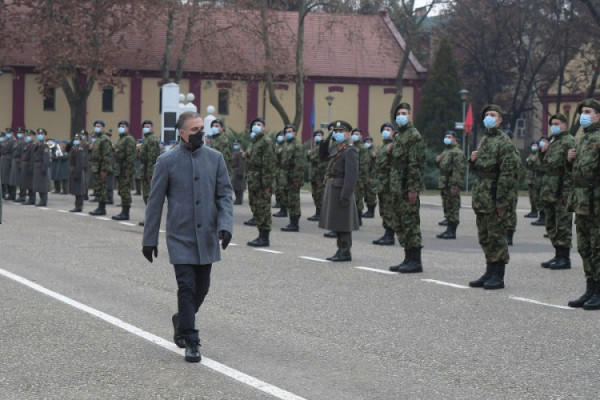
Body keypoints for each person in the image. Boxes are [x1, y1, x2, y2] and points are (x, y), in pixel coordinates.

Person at [142, 111, 233, 362]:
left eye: (201, 128)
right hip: (180, 236)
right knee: (187, 286)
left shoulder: (215, 158)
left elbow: (224, 195)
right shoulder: (166, 161)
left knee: (202, 288)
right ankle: (191, 339)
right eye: (194, 130)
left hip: (207, 237)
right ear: (181, 132)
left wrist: (226, 225)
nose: (200, 133)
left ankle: (181, 320)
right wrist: (149, 239)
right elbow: (155, 203)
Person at [468, 104, 519, 290]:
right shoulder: (485, 140)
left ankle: (498, 275)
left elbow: (508, 173)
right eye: (487, 114)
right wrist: (472, 161)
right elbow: (481, 168)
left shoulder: (503, 142)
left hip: (495, 194)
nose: (489, 117)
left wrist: (502, 201)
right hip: (482, 195)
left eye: (493, 114)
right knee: (485, 236)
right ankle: (489, 271)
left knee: (497, 236)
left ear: (500, 120)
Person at [567, 99, 600, 310]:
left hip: (596, 202)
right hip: (581, 201)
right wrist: (568, 161)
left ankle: (598, 291)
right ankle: (590, 288)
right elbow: (576, 174)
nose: (583, 115)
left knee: (598, 248)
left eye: (588, 111)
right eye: (582, 112)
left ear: (598, 116)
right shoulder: (579, 140)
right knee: (585, 247)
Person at [388, 103, 426, 273]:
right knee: (400, 223)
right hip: (396, 187)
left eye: (404, 113)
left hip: (406, 187)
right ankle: (407, 258)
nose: (401, 116)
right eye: (398, 114)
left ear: (410, 116)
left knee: (410, 223)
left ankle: (416, 261)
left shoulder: (413, 136)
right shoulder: (398, 136)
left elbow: (415, 164)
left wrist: (413, 188)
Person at [318, 120, 359, 261]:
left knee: (344, 222)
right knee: (337, 221)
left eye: (341, 132)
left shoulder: (350, 150)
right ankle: (340, 249)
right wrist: (328, 138)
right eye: (336, 131)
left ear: (348, 134)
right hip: (332, 187)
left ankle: (345, 251)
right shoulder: (335, 148)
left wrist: (346, 195)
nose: (338, 134)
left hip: (341, 189)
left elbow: (351, 175)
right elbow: (322, 156)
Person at [539, 113, 575, 270]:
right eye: (552, 123)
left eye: (557, 123)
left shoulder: (569, 142)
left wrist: (567, 193)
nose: (554, 126)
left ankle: (564, 258)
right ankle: (557, 254)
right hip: (549, 190)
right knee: (551, 224)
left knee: (562, 225)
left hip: (561, 191)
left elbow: (571, 169)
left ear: (565, 125)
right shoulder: (553, 142)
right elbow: (546, 166)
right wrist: (543, 152)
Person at [246, 117, 275, 247]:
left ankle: (264, 237)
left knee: (263, 209)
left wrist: (267, 185)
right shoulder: (253, 142)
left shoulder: (266, 142)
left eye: (259, 124)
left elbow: (268, 164)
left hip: (262, 182)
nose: (256, 126)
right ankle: (260, 233)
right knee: (255, 207)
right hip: (253, 180)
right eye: (254, 124)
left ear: (264, 127)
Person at [435, 130, 466, 239]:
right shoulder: (446, 151)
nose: (447, 138)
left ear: (454, 139)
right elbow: (444, 168)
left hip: (451, 184)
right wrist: (438, 162)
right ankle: (448, 230)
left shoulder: (456, 152)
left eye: (449, 136)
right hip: (445, 184)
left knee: (453, 207)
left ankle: (452, 231)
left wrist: (455, 186)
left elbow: (458, 170)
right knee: (447, 207)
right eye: (446, 136)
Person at [372, 123, 396, 246]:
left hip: (388, 183)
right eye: (384, 130)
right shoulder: (382, 146)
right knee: (383, 209)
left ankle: (390, 235)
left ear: (393, 132)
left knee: (389, 209)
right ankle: (386, 233)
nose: (386, 131)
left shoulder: (394, 145)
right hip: (381, 183)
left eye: (388, 129)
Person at [278, 124, 305, 232]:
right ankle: (291, 221)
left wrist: (296, 180)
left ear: (295, 133)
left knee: (294, 201)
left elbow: (299, 164)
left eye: (290, 131)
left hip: (293, 178)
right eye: (286, 132)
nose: (288, 133)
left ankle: (294, 223)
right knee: (288, 200)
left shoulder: (297, 145)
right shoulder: (284, 145)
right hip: (285, 178)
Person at [112, 120, 136, 221]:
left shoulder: (129, 139)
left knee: (125, 191)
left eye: (123, 126)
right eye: (120, 126)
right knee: (122, 190)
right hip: (119, 168)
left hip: (125, 168)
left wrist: (128, 170)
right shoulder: (121, 139)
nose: (121, 128)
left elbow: (130, 156)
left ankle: (126, 213)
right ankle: (123, 211)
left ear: (127, 128)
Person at [88, 121, 113, 215]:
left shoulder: (104, 139)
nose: (96, 128)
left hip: (101, 167)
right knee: (98, 188)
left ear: (103, 127)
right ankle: (99, 206)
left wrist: (104, 169)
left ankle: (102, 208)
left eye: (99, 126)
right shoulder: (98, 139)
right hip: (96, 166)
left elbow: (107, 155)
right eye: (95, 126)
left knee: (102, 188)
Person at [139, 120, 160, 226]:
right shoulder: (146, 139)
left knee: (149, 197)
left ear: (152, 128)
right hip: (145, 170)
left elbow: (153, 159)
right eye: (144, 126)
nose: (146, 128)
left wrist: (151, 175)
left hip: (149, 172)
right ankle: (149, 218)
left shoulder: (151, 140)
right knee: (146, 196)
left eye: (148, 126)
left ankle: (151, 219)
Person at [307, 129, 327, 221]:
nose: (318, 136)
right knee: (315, 195)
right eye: (316, 135)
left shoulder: (323, 147)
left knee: (320, 195)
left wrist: (311, 156)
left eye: (320, 135)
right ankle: (317, 212)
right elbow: (310, 160)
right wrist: (308, 155)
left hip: (320, 175)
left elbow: (319, 160)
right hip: (313, 175)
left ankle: (321, 214)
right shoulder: (314, 147)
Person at [32, 129, 51, 206]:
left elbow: (46, 159)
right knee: (39, 185)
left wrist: (44, 168)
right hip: (37, 167)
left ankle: (43, 201)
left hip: (42, 167)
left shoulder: (45, 146)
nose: (40, 135)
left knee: (43, 185)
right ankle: (41, 200)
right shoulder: (38, 145)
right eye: (39, 133)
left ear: (45, 135)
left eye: (41, 133)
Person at [69, 134, 86, 212]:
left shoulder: (79, 150)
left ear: (81, 141)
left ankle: (79, 206)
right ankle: (77, 205)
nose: (75, 140)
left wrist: (77, 173)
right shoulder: (74, 149)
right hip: (74, 171)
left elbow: (80, 163)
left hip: (78, 171)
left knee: (79, 190)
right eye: (75, 139)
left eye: (77, 139)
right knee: (76, 190)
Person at [524, 141, 540, 218]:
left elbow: (535, 165)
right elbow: (527, 165)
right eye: (532, 145)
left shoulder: (538, 154)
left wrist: (529, 161)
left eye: (535, 145)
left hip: (535, 178)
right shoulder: (531, 154)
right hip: (530, 178)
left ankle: (536, 211)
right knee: (531, 196)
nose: (533, 146)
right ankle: (533, 211)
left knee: (535, 196)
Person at [362, 136, 377, 218]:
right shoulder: (366, 151)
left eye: (369, 141)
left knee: (371, 195)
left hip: (371, 176)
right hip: (365, 176)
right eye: (366, 141)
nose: (367, 143)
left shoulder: (373, 151)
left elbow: (374, 166)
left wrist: (372, 177)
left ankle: (371, 212)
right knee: (367, 195)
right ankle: (368, 211)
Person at [20, 130, 36, 205]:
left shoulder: (33, 146)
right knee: (26, 183)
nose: (28, 137)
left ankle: (32, 199)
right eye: (27, 135)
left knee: (30, 183)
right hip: (25, 165)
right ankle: (30, 198)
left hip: (29, 166)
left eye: (30, 135)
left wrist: (31, 167)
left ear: (33, 136)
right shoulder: (27, 145)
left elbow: (32, 158)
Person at [231, 140, 246, 205]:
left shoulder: (240, 152)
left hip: (239, 170)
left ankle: (239, 199)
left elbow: (241, 163)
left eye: (237, 144)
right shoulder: (235, 152)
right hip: (235, 170)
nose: (235, 145)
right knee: (235, 186)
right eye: (234, 144)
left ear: (240, 145)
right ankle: (237, 198)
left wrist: (240, 172)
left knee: (239, 187)